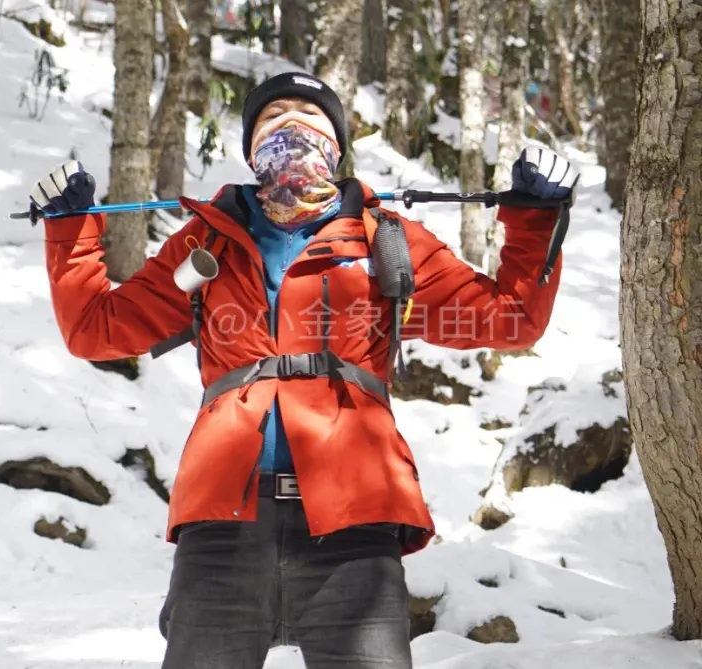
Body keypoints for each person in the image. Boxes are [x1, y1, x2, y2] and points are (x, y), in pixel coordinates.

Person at [28, 72, 578, 669]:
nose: (292, 125)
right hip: (222, 522)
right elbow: (97, 330)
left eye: (309, 115)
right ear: (250, 148)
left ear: (336, 146)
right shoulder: (205, 242)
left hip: (356, 523)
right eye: (273, 116)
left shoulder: (385, 239)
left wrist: (536, 219)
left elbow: (510, 318)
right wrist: (70, 231)